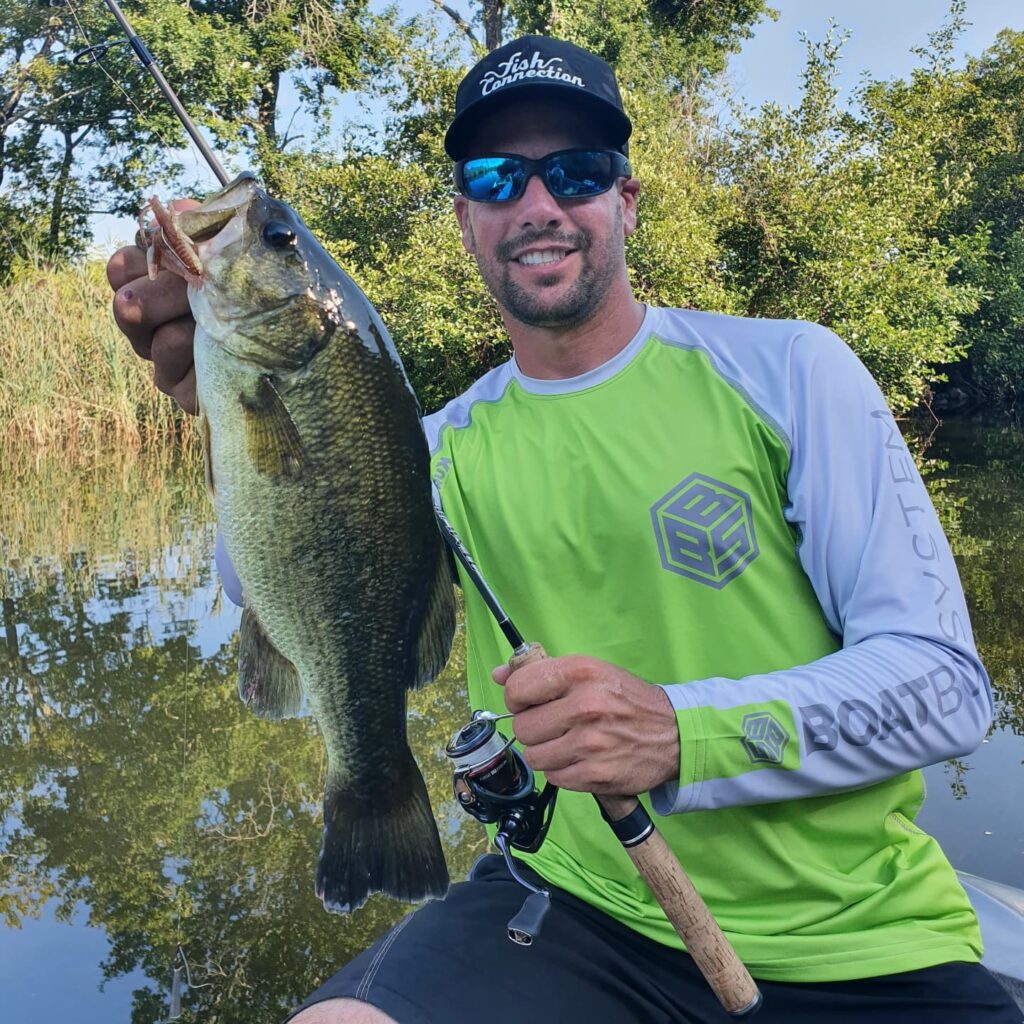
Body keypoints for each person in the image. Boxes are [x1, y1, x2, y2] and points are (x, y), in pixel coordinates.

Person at [107, 35, 1020, 1024]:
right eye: (497, 178)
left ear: (623, 201)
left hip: (864, 942)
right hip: (571, 912)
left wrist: (679, 732)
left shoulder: (792, 372)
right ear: (465, 221)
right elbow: (271, 580)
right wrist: (227, 417)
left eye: (575, 171)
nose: (537, 204)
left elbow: (946, 687)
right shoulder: (431, 448)